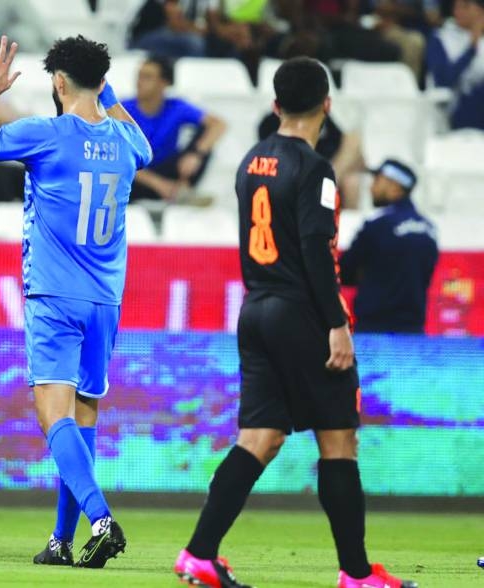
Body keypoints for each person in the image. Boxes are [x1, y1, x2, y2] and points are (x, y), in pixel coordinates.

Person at [173, 57, 417, 588]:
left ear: (275, 105)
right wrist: (336, 322)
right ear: (326, 106)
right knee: (338, 440)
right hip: (301, 313)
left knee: (258, 436)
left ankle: (199, 554)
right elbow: (314, 247)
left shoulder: (249, 161)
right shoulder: (316, 170)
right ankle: (356, 574)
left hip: (255, 308)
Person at [0, 35, 152, 568]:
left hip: (55, 295)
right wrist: (102, 90)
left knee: (51, 415)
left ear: (57, 83)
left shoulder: (44, 135)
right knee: (83, 415)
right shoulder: (128, 143)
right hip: (105, 300)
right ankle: (61, 541)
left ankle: (102, 520)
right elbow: (142, 144)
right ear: (104, 83)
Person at [340, 160, 438, 334]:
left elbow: (344, 271)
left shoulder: (377, 225)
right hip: (413, 330)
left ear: (395, 187)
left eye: (377, 181)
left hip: (374, 329)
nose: (371, 188)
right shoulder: (429, 229)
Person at [121, 56, 225, 202]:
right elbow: (120, 158)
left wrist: (196, 154)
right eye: (139, 76)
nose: (139, 82)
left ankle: (181, 191)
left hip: (166, 169)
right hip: (135, 177)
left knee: (204, 137)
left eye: (147, 77)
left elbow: (218, 124)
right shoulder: (122, 110)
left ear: (164, 83)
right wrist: (159, 184)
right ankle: (178, 194)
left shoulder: (176, 107)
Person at [426, 0, 484, 131]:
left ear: (481, 11)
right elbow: (443, 82)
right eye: (455, 7)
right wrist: (471, 48)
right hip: (453, 109)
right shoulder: (440, 38)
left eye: (465, 6)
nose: (456, 12)